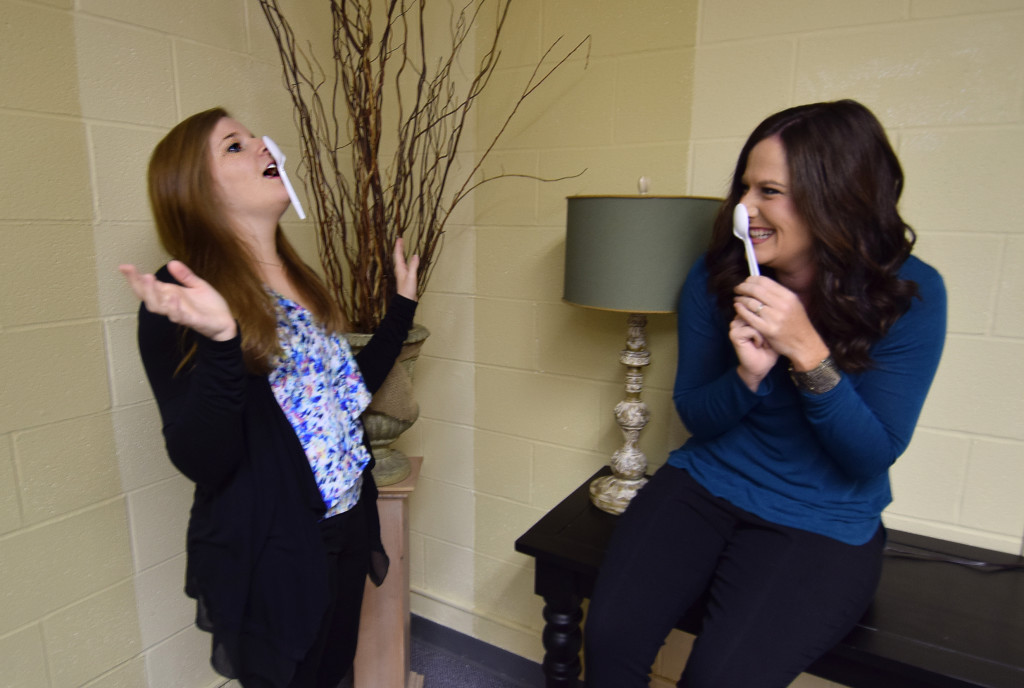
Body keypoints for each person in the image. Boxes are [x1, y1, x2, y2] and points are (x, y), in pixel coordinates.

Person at [583, 99, 946, 687]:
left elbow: (869, 455)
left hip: (823, 518)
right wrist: (748, 379)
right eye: (744, 187)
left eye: (769, 191)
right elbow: (698, 416)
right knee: (608, 643)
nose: (744, 209)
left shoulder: (910, 295)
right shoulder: (716, 277)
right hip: (707, 480)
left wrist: (808, 354)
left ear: (837, 199)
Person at [120, 107, 419, 688]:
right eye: (234, 145)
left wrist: (402, 309)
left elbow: (341, 393)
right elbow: (201, 458)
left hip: (348, 519)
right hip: (279, 543)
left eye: (254, 136)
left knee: (335, 672)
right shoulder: (183, 297)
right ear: (195, 190)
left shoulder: (296, 276)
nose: (263, 145)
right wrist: (223, 342)